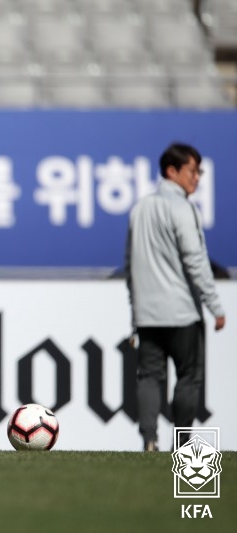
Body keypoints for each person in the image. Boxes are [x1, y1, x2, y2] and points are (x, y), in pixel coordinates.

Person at [125, 142, 226, 452]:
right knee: (189, 377)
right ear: (172, 171)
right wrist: (215, 305)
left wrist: (135, 310)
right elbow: (195, 260)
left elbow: (130, 265)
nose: (197, 178)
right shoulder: (183, 209)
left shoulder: (140, 208)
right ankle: (182, 444)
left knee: (150, 377)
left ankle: (149, 439)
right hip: (181, 310)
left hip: (148, 312)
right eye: (192, 171)